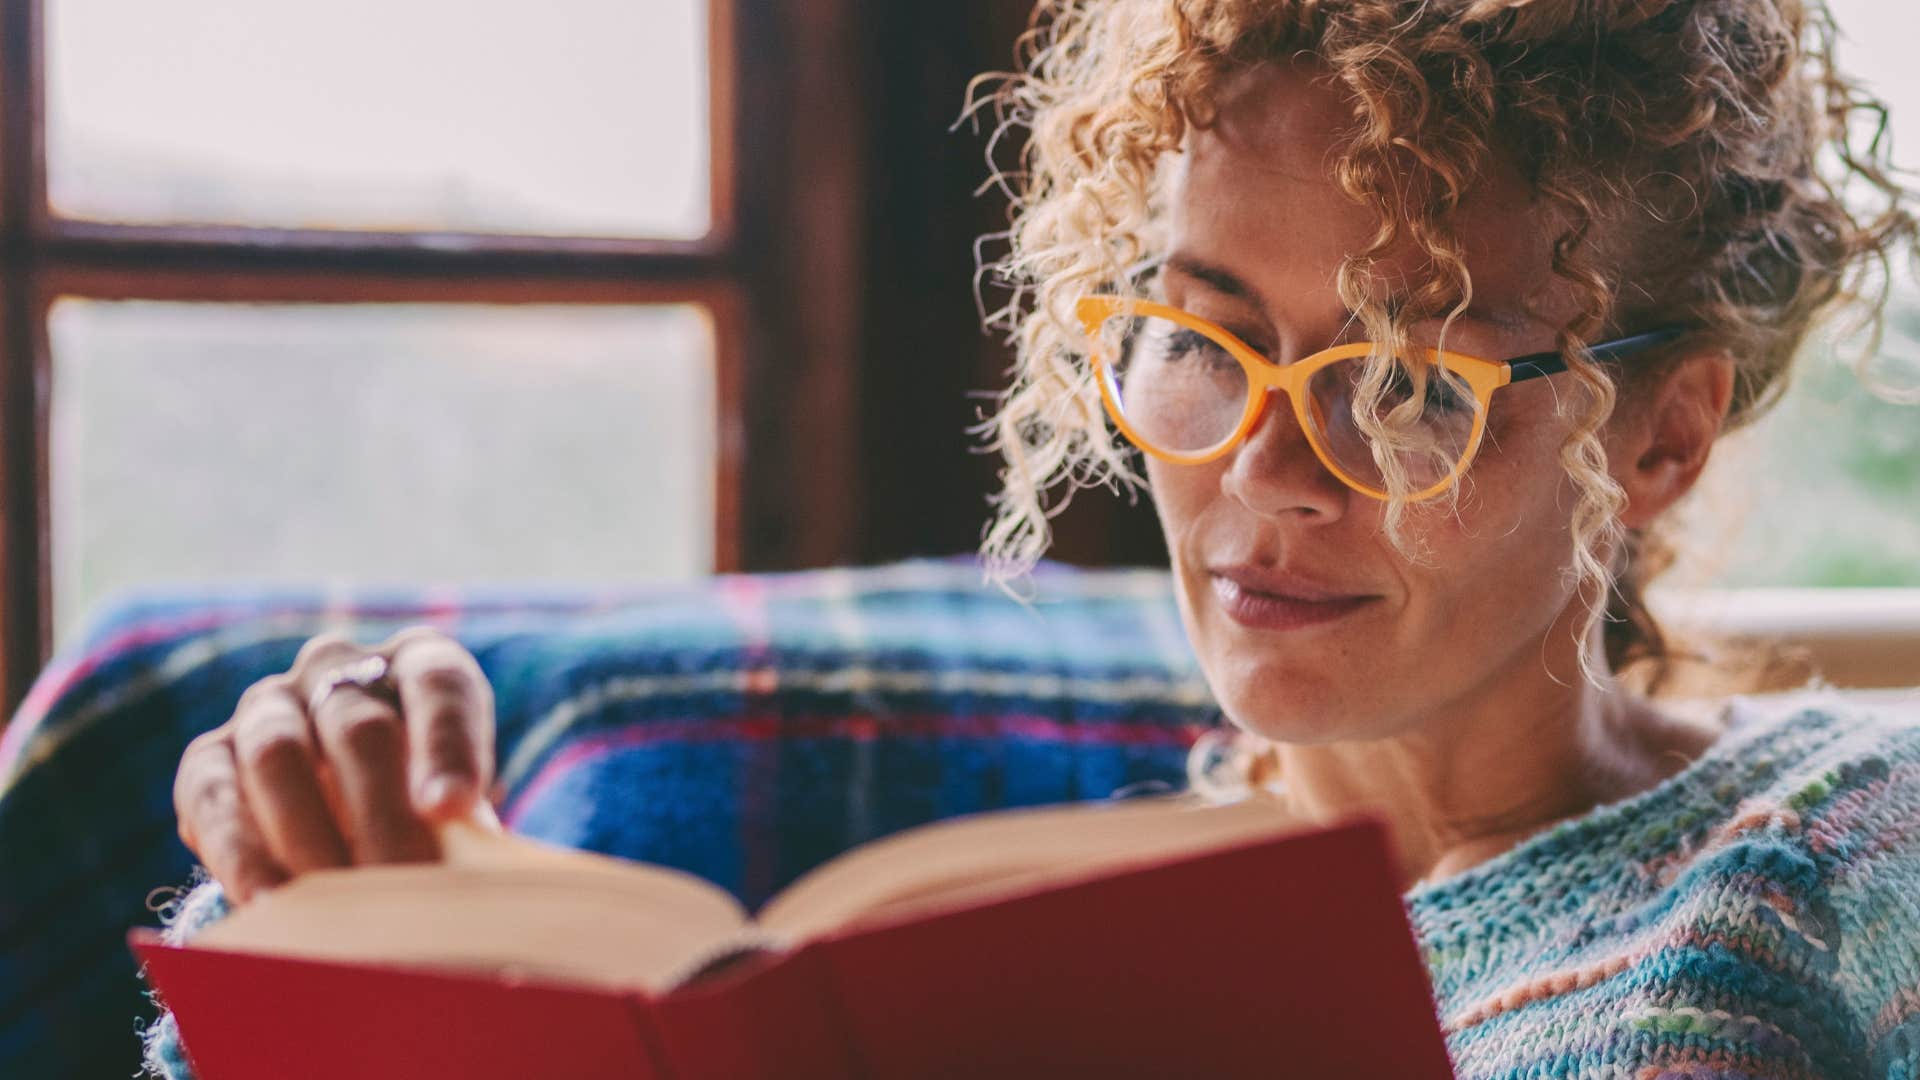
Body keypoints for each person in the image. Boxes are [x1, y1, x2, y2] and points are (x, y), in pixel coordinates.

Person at [156, 0, 1920, 1076]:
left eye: (1404, 385)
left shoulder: (1859, 842)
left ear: (1665, 429)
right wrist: (320, 937)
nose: (1267, 472)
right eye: (1203, 343)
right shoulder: (1009, 960)